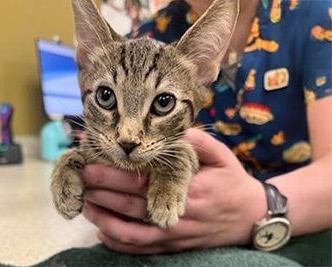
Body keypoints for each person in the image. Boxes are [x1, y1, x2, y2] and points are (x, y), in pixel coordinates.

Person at [81, 0, 331, 257]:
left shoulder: (316, 16)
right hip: (177, 237)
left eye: (163, 102)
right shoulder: (147, 37)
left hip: (306, 227)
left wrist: (257, 205)